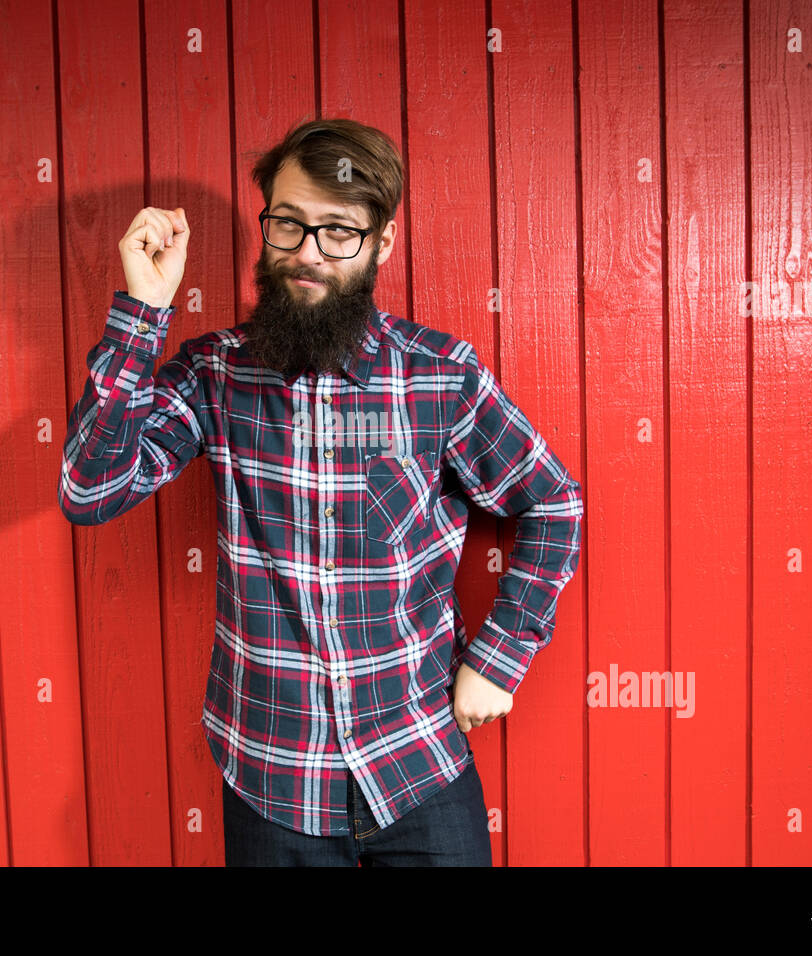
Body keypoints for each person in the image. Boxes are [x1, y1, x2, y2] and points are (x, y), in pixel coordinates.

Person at [59, 118, 583, 866]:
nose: (307, 254)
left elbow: (553, 503)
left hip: (420, 768)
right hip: (272, 786)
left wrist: (500, 656)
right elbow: (88, 488)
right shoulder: (213, 376)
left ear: (382, 242)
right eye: (289, 225)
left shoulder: (440, 376)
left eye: (339, 231)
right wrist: (143, 311)